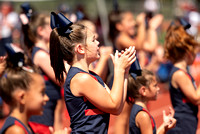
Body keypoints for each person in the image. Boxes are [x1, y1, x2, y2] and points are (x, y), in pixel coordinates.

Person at [49, 12, 136, 133]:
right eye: (93, 40)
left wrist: (125, 72)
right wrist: (119, 70)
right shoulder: (81, 79)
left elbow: (118, 107)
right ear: (80, 49)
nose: (98, 43)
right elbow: (114, 105)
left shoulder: (91, 76)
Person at [0, 49, 71, 134]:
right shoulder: (16, 130)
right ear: (22, 97)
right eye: (42, 93)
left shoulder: (25, 126)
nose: (46, 98)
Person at [20, 9, 67, 133]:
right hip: (42, 115)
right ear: (40, 30)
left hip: (48, 110)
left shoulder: (43, 52)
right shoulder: (40, 55)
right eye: (51, 26)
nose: (55, 29)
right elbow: (63, 79)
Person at [164, 25, 200, 134]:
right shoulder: (179, 74)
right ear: (188, 52)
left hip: (188, 122)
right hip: (182, 125)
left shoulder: (183, 71)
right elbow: (196, 98)